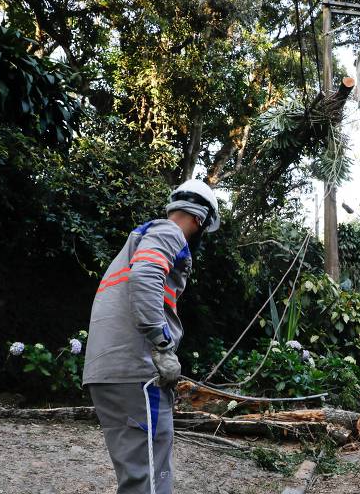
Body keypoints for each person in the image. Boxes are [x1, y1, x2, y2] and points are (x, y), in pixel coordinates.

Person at [82, 179, 220, 494]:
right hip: (136, 370)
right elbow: (145, 275)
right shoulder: (170, 233)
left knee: (136, 474)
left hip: (108, 371)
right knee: (150, 476)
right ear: (199, 220)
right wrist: (161, 344)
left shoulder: (142, 237)